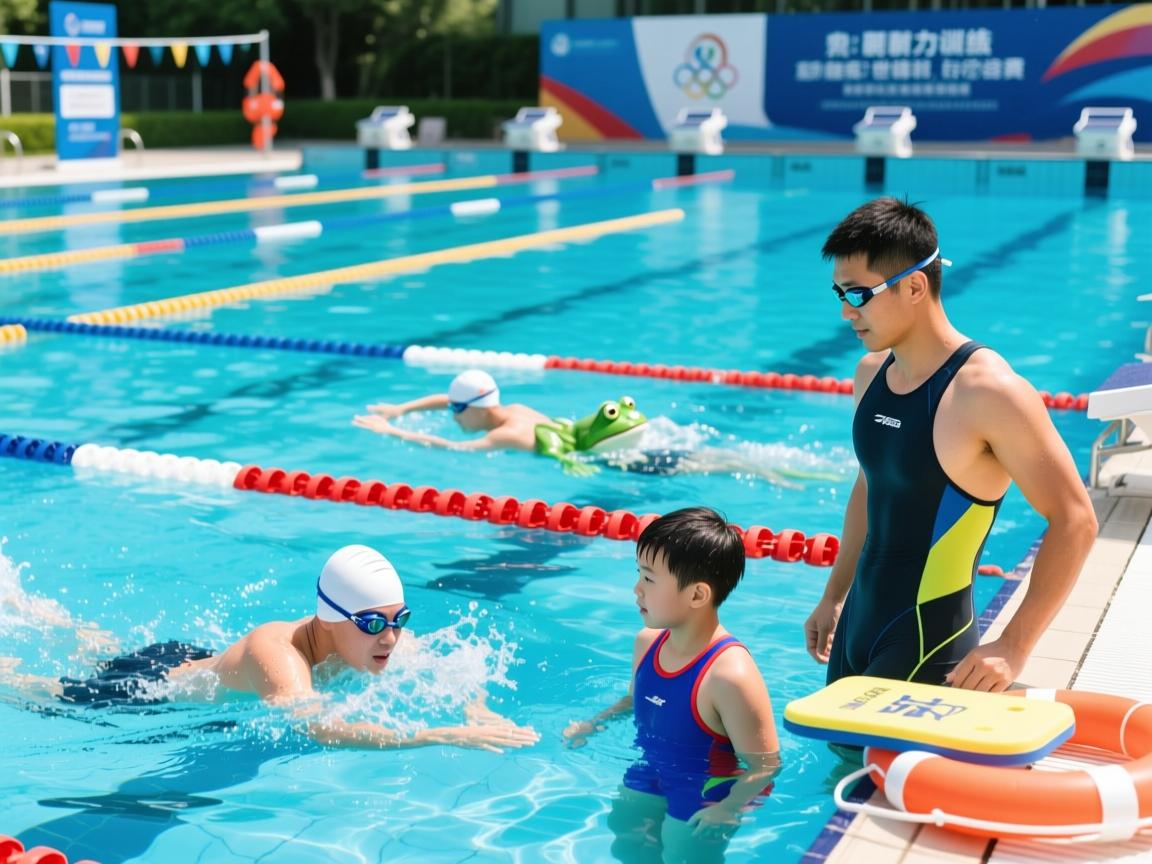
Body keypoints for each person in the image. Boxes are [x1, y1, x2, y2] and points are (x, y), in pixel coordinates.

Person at [803, 197, 1097, 693]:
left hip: (928, 642)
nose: (844, 312)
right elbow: (871, 484)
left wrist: (1014, 645)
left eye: (857, 295)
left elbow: (1076, 519)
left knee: (883, 772)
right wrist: (835, 593)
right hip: (857, 626)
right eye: (839, 293)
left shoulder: (988, 392)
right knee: (841, 767)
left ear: (915, 285)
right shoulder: (871, 374)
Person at [3, 545, 539, 752]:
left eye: (399, 620)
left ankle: (43, 613)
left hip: (192, 656)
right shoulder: (278, 655)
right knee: (41, 694)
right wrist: (429, 736)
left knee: (93, 646)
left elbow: (454, 664)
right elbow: (316, 724)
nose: (391, 638)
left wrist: (476, 706)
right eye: (374, 622)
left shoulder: (369, 635)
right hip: (150, 692)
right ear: (330, 618)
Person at [563, 507, 781, 864]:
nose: (636, 589)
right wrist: (595, 722)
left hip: (704, 793)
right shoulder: (647, 643)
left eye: (649, 579)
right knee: (626, 847)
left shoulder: (729, 675)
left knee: (683, 855)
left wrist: (728, 809)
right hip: (650, 769)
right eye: (639, 574)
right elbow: (635, 700)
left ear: (697, 595)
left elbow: (765, 766)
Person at [354, 369, 832, 485]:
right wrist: (399, 408)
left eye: (457, 413)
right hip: (611, 445)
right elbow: (452, 399)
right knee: (716, 458)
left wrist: (392, 432)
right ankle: (781, 468)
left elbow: (448, 449)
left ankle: (785, 473)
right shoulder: (512, 407)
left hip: (618, 461)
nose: (453, 418)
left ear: (474, 411)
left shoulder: (503, 435)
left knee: (718, 467)